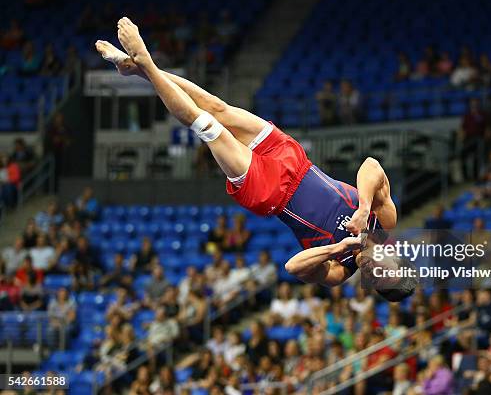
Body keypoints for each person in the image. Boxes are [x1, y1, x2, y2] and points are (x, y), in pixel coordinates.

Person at [97, 20, 413, 302]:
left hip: (270, 192)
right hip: (294, 160)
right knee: (216, 107)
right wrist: (362, 208)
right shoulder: (384, 221)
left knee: (206, 125)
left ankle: (146, 63)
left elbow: (294, 267)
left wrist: (338, 249)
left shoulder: (340, 271)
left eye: (375, 282)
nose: (371, 273)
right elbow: (371, 166)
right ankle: (137, 69)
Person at [459, 98, 491, 180]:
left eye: (475, 104)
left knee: (477, 158)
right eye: (472, 104)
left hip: (478, 139)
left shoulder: (482, 114)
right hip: (468, 139)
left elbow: (487, 127)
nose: (474, 105)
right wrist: (461, 137)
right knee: (463, 156)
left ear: (478, 104)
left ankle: (476, 176)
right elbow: (462, 128)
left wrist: (486, 137)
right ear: (470, 105)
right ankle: (465, 177)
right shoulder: (467, 115)